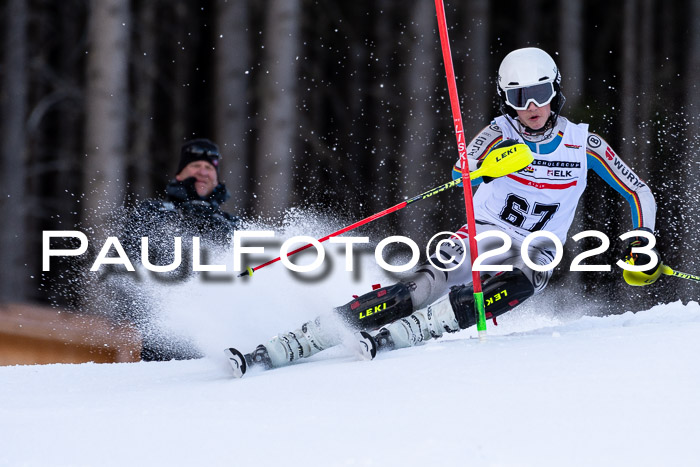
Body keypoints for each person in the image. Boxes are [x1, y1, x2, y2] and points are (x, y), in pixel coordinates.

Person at [225, 47, 662, 377]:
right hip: (485, 230)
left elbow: (638, 191)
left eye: (541, 94)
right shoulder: (499, 132)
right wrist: (478, 168)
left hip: (537, 246)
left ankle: (414, 331)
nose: (531, 107)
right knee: (424, 282)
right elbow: (462, 172)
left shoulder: (582, 143)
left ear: (556, 92)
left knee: (521, 279)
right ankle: (299, 339)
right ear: (506, 100)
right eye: (519, 97)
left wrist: (644, 242)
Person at [119, 138, 241, 361]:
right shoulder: (152, 212)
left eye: (208, 167)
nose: (203, 172)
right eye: (195, 166)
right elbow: (127, 263)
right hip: (165, 340)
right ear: (179, 175)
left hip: (219, 343)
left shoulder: (232, 225)